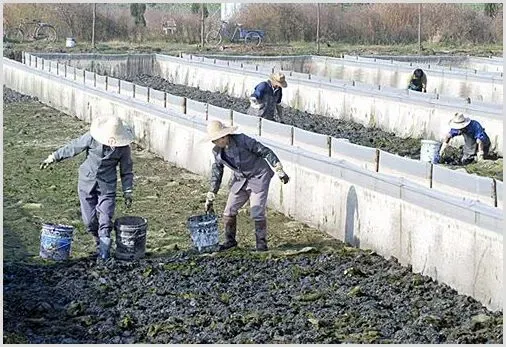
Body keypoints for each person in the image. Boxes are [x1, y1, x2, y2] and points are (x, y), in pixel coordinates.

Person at [40, 116, 135, 260]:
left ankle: (104, 253)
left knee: (105, 218)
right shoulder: (91, 138)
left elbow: (126, 170)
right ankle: (98, 240)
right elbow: (73, 147)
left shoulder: (124, 149)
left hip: (107, 186)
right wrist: (53, 157)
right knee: (89, 220)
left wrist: (128, 191)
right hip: (86, 182)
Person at [204, 120, 290, 252]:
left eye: (221, 137)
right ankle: (230, 241)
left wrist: (278, 169)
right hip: (240, 179)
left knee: (256, 211)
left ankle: (261, 245)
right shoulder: (217, 152)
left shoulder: (242, 140)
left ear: (226, 135)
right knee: (229, 210)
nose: (220, 141)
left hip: (258, 176)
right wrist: (211, 193)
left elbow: (264, 151)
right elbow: (217, 171)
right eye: (216, 140)